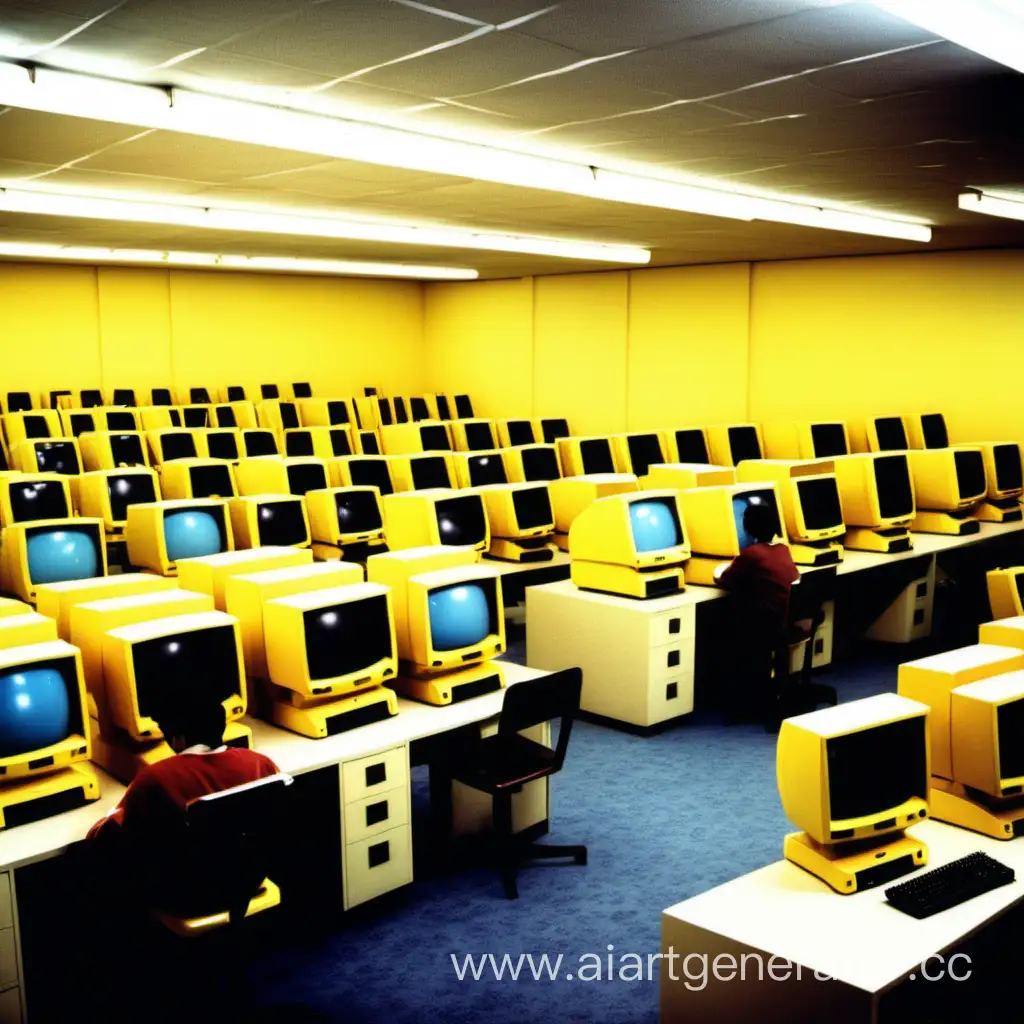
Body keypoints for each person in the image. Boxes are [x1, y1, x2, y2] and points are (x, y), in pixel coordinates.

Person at [88, 687, 279, 909]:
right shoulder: (260, 763)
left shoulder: (155, 779)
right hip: (247, 879)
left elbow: (104, 839)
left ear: (178, 738)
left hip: (188, 895)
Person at [714, 501, 800, 721]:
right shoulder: (783, 550)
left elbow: (725, 580)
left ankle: (738, 700)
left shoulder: (751, 555)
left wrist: (720, 570)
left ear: (748, 527)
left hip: (768, 628)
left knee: (723, 627)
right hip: (788, 622)